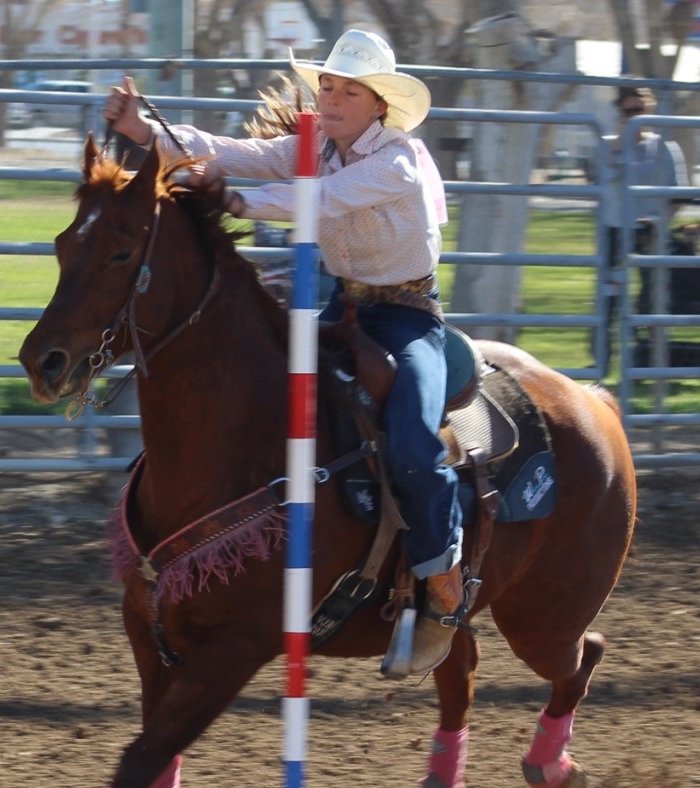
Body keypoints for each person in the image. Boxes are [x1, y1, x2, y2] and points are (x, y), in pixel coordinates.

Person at [103, 29, 465, 676]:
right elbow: (228, 149)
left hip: (407, 318)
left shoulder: (399, 160)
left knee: (412, 437)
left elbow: (318, 200)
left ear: (378, 104)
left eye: (347, 89)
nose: (329, 97)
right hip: (346, 309)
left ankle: (443, 580)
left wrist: (236, 199)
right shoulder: (316, 145)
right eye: (326, 84)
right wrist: (144, 133)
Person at [595, 83, 689, 366]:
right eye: (628, 111)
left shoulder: (665, 147)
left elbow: (678, 194)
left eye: (639, 110)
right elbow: (603, 176)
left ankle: (646, 359)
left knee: (651, 297)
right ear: (619, 113)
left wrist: (660, 226)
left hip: (650, 233)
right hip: (614, 231)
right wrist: (620, 140)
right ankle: (601, 360)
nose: (634, 116)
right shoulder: (607, 145)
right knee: (609, 299)